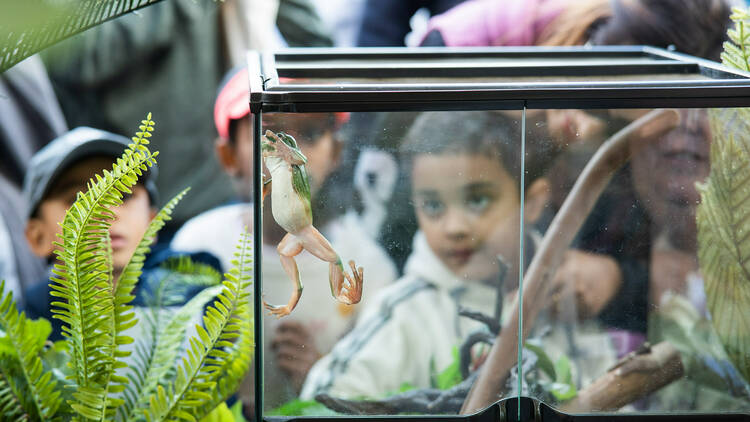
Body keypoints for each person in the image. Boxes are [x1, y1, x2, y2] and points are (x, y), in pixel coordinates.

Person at [300, 110, 617, 402]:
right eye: (434, 206)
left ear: (532, 202)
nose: (454, 228)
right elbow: (324, 400)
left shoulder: (565, 295)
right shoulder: (405, 315)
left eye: (477, 200)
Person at [170, 68, 397, 412]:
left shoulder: (368, 265)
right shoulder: (198, 247)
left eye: (310, 133)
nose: (292, 153)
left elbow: (386, 389)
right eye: (270, 134)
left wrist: (322, 378)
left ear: (335, 151)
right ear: (228, 156)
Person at [22, 127, 221, 340]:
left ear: (152, 223)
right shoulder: (18, 333)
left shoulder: (195, 304)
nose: (106, 213)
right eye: (77, 199)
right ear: (38, 237)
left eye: (124, 195)